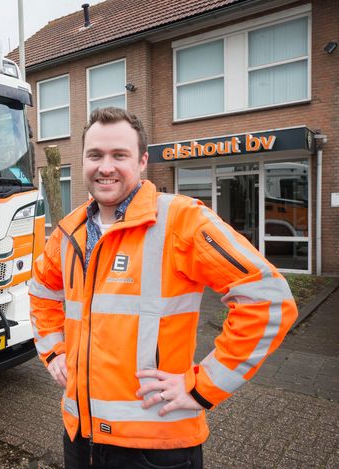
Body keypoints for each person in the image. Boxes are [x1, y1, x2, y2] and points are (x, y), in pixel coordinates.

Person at [29, 107, 298, 468]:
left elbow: (269, 300)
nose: (105, 167)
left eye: (119, 155)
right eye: (95, 155)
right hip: (80, 436)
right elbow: (42, 291)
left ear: (142, 161)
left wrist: (203, 387)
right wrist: (53, 352)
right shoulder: (69, 231)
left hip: (155, 448)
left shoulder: (182, 221)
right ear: (82, 161)